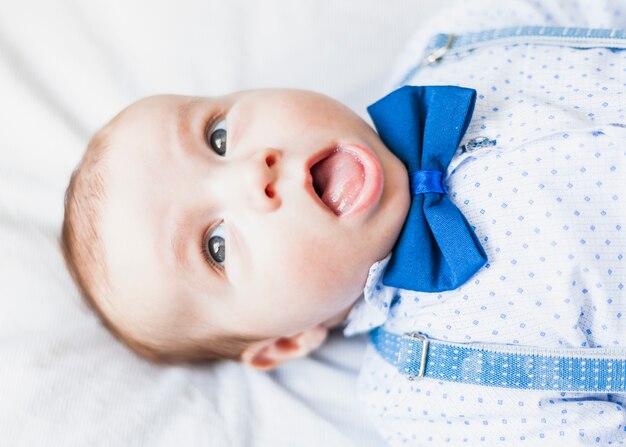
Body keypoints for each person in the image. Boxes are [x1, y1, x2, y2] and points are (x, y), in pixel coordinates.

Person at [61, 0, 626, 444]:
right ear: (284, 343)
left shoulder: (454, 40)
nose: (249, 174)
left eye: (218, 137)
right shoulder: (437, 396)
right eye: (215, 247)